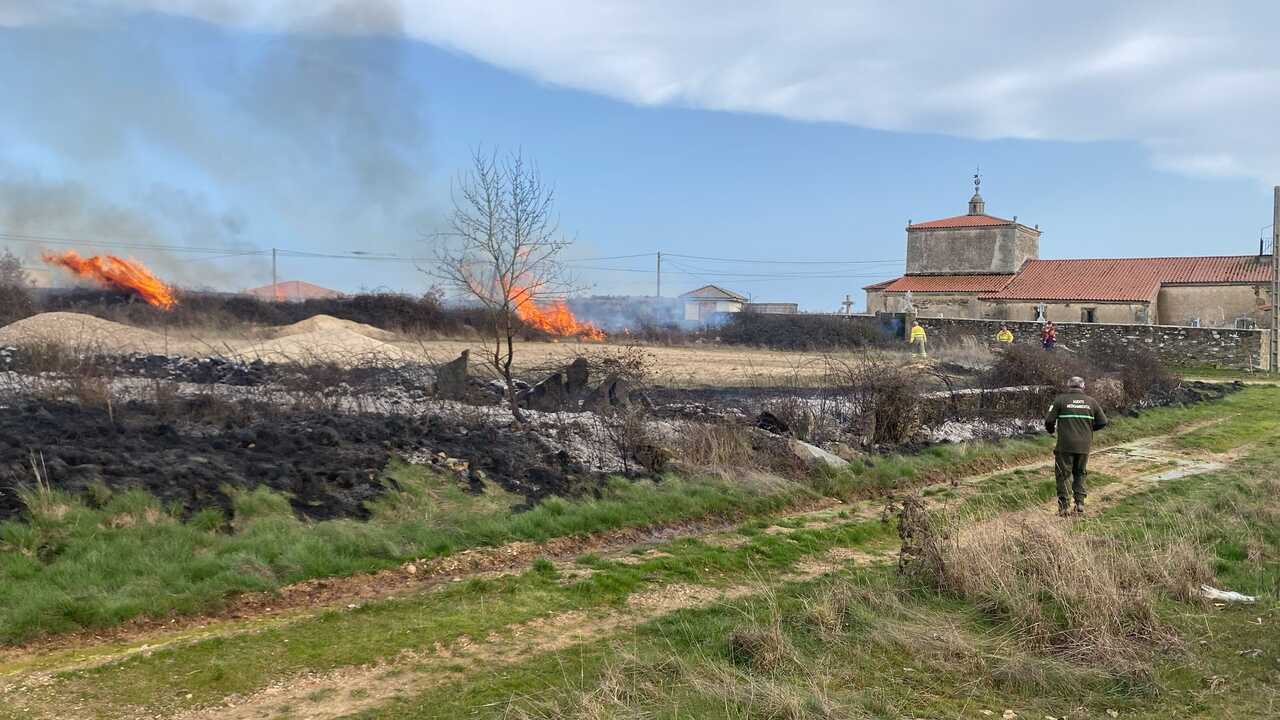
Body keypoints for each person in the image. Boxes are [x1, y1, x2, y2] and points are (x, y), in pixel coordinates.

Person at [1045, 376, 1108, 516]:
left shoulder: (1060, 400)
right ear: (1083, 386)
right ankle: (1079, 504)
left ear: (1069, 386)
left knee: (1063, 475)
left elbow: (1049, 420)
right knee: (1080, 473)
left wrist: (1050, 431)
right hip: (1084, 446)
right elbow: (1103, 422)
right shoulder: (1092, 402)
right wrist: (1089, 430)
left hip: (1065, 445)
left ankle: (1064, 507)